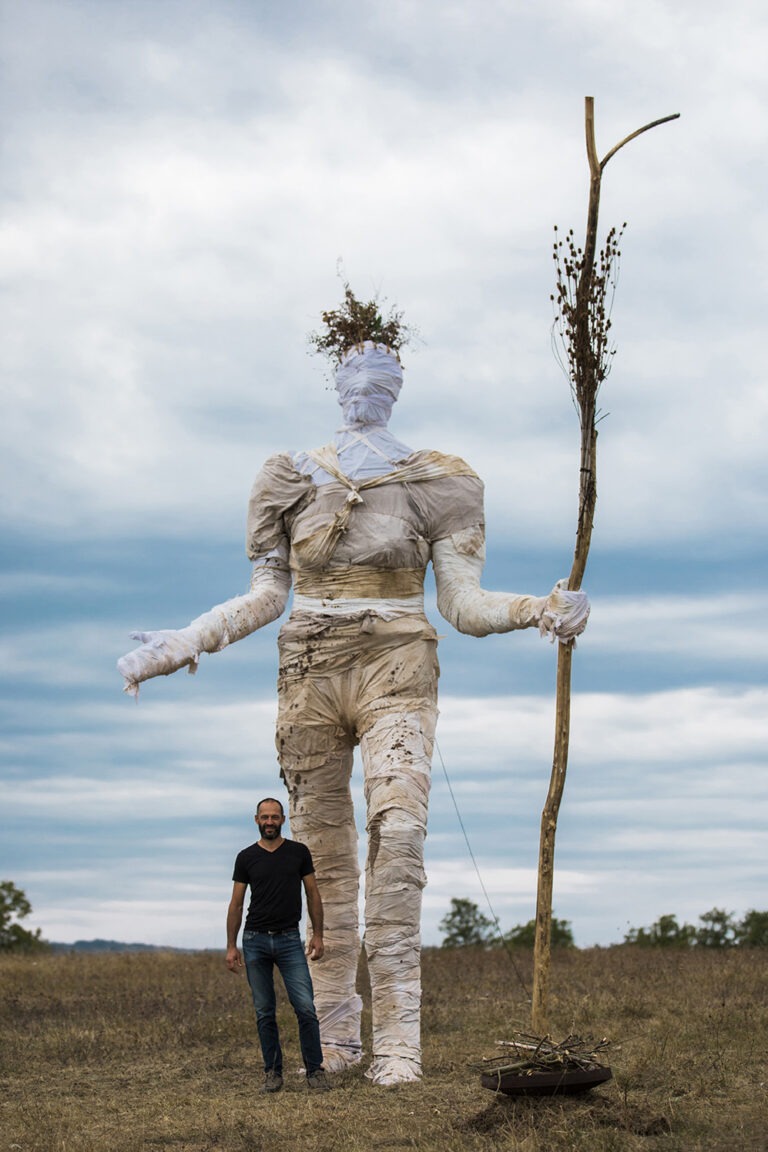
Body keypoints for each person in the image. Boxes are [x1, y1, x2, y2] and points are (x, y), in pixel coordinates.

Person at [119, 312, 590, 1086]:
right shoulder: (289, 476)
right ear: (335, 382)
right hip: (308, 664)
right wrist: (188, 640)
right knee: (321, 858)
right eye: (356, 375)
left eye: (384, 378)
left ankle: (399, 1041)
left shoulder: (439, 481)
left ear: (399, 389)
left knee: (399, 835)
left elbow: (462, 606)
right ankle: (336, 1039)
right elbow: (268, 591)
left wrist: (541, 607)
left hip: (399, 659)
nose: (368, 389)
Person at [226, 796, 330, 1093]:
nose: (269, 822)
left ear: (283, 820)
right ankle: (273, 1073)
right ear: (256, 820)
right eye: (264, 817)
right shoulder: (246, 857)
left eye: (274, 817)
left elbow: (313, 894)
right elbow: (236, 903)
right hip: (255, 940)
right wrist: (231, 946)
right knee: (264, 1011)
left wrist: (318, 934)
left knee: (305, 1008)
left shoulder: (298, 852)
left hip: (288, 940)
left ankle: (315, 1071)